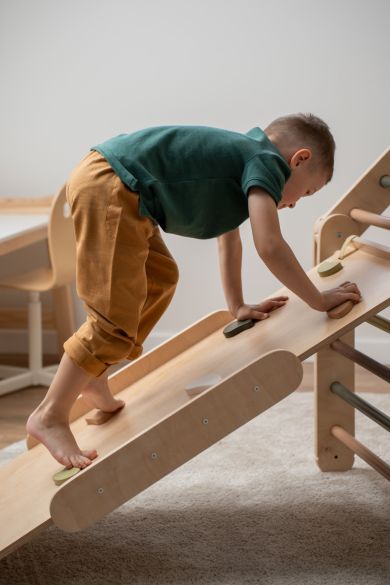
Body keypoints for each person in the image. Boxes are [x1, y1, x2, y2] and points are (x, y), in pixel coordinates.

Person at [27, 113, 361, 469]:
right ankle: (50, 415)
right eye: (306, 192)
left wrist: (237, 306)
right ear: (300, 159)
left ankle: (94, 375)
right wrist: (319, 300)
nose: (294, 203)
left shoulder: (240, 162)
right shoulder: (264, 162)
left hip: (122, 188)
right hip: (112, 185)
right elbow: (270, 245)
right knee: (112, 318)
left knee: (160, 278)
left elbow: (228, 241)